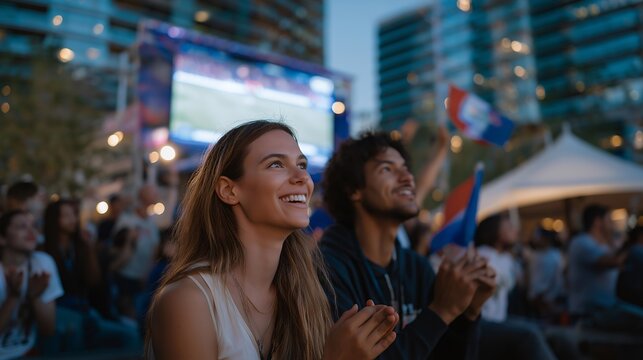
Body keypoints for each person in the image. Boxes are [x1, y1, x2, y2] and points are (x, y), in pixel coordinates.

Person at [147, 121, 399, 360]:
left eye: (302, 164)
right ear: (229, 190)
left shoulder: (305, 291)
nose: (303, 178)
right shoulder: (189, 300)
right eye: (276, 164)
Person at [320, 131, 496, 359]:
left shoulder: (417, 268)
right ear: (354, 190)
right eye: (387, 169)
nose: (407, 178)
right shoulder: (328, 271)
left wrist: (468, 312)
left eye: (405, 168)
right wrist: (442, 310)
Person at [0, 210, 63, 358]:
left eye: (34, 226)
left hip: (26, 352)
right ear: (2, 238)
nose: (31, 231)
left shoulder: (42, 262)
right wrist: (13, 297)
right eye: (22, 227)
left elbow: (48, 330)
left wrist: (35, 296)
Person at [568, 204, 626, 317]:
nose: (612, 224)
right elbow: (613, 262)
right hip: (586, 314)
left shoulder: (605, 244)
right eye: (609, 220)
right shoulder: (581, 242)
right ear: (597, 221)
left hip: (603, 310)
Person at [113, 185, 161, 320]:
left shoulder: (152, 224)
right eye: (151, 195)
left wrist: (148, 273)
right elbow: (116, 244)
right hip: (124, 275)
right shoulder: (126, 219)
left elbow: (155, 251)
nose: (154, 198)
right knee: (126, 314)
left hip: (142, 278)